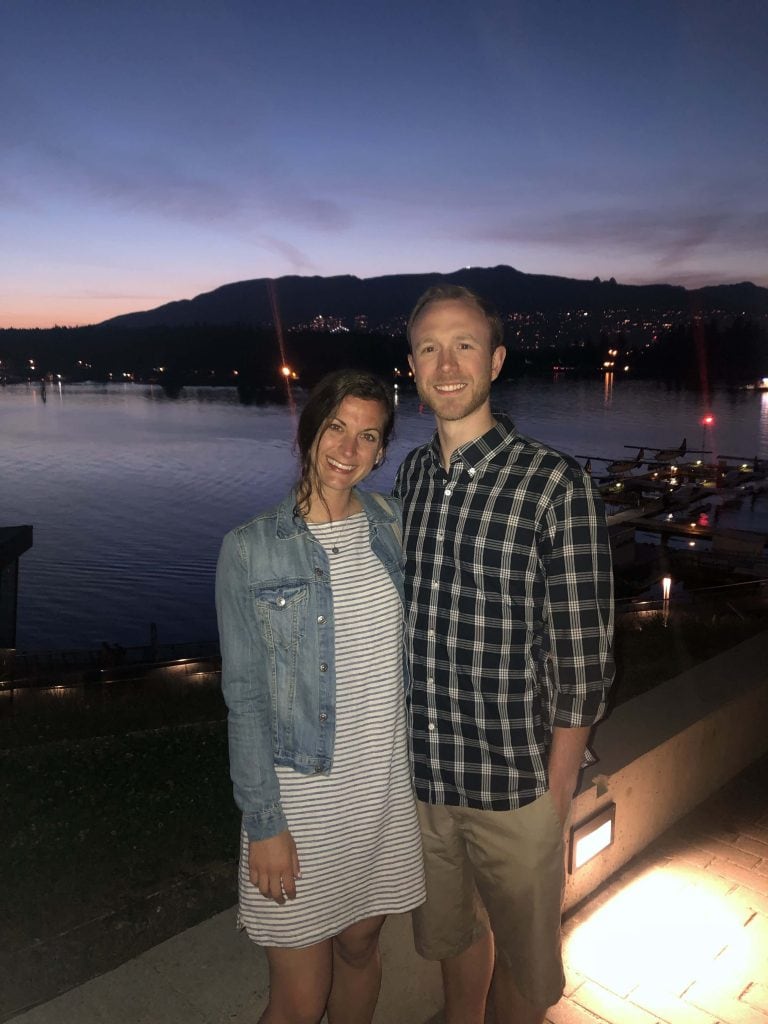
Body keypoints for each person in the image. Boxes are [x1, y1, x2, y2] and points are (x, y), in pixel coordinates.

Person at [394, 285, 615, 1024]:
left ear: (495, 359)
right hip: (427, 782)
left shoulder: (556, 483)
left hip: (516, 785)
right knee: (455, 943)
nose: (446, 363)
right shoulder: (414, 477)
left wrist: (554, 796)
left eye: (463, 345)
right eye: (429, 347)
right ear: (413, 366)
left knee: (527, 970)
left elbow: (584, 658)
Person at [215, 369, 425, 1024]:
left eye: (368, 435)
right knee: (300, 999)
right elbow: (244, 696)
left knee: (362, 947)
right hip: (301, 802)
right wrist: (264, 824)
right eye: (336, 426)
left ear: (383, 450)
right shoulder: (249, 550)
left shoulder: (393, 525)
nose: (348, 448)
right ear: (309, 429)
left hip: (383, 792)